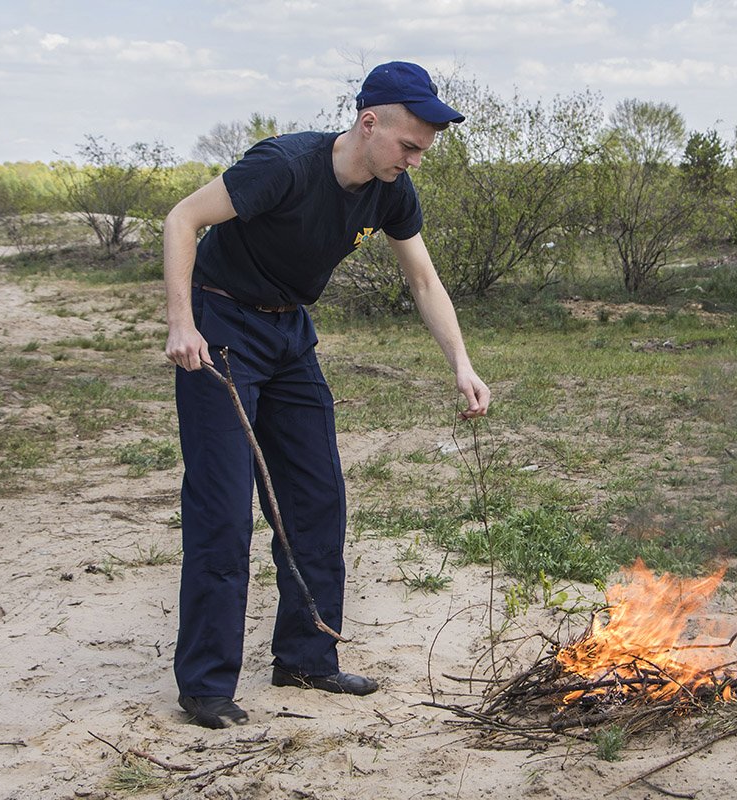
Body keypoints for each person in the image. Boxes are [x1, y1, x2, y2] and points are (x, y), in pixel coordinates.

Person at [162, 61, 491, 728]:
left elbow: (423, 281)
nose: (415, 162)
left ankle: (307, 658)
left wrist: (461, 363)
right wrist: (180, 322)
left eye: (423, 151)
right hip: (222, 329)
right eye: (408, 146)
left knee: (317, 499)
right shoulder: (283, 165)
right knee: (223, 511)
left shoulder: (391, 191)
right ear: (370, 123)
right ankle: (205, 686)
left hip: (290, 337)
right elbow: (182, 219)